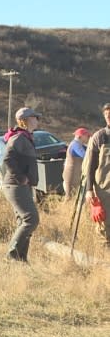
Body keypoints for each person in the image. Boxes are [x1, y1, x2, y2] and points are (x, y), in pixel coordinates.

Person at [0, 107, 42, 262]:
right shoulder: (18, 138)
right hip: (15, 185)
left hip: (21, 185)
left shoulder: (26, 137)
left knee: (23, 221)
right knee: (31, 219)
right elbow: (7, 159)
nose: (38, 120)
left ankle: (21, 259)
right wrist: (20, 177)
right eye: (35, 117)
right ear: (26, 120)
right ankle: (11, 255)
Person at [82, 102, 110, 250]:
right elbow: (90, 167)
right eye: (107, 115)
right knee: (105, 227)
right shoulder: (100, 137)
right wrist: (89, 190)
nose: (109, 117)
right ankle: (105, 264)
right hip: (104, 191)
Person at [62, 127, 90, 199]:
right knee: (69, 198)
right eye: (87, 136)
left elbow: (89, 149)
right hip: (71, 177)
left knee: (74, 198)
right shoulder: (75, 145)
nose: (88, 137)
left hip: (75, 176)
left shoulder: (79, 144)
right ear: (81, 136)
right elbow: (85, 156)